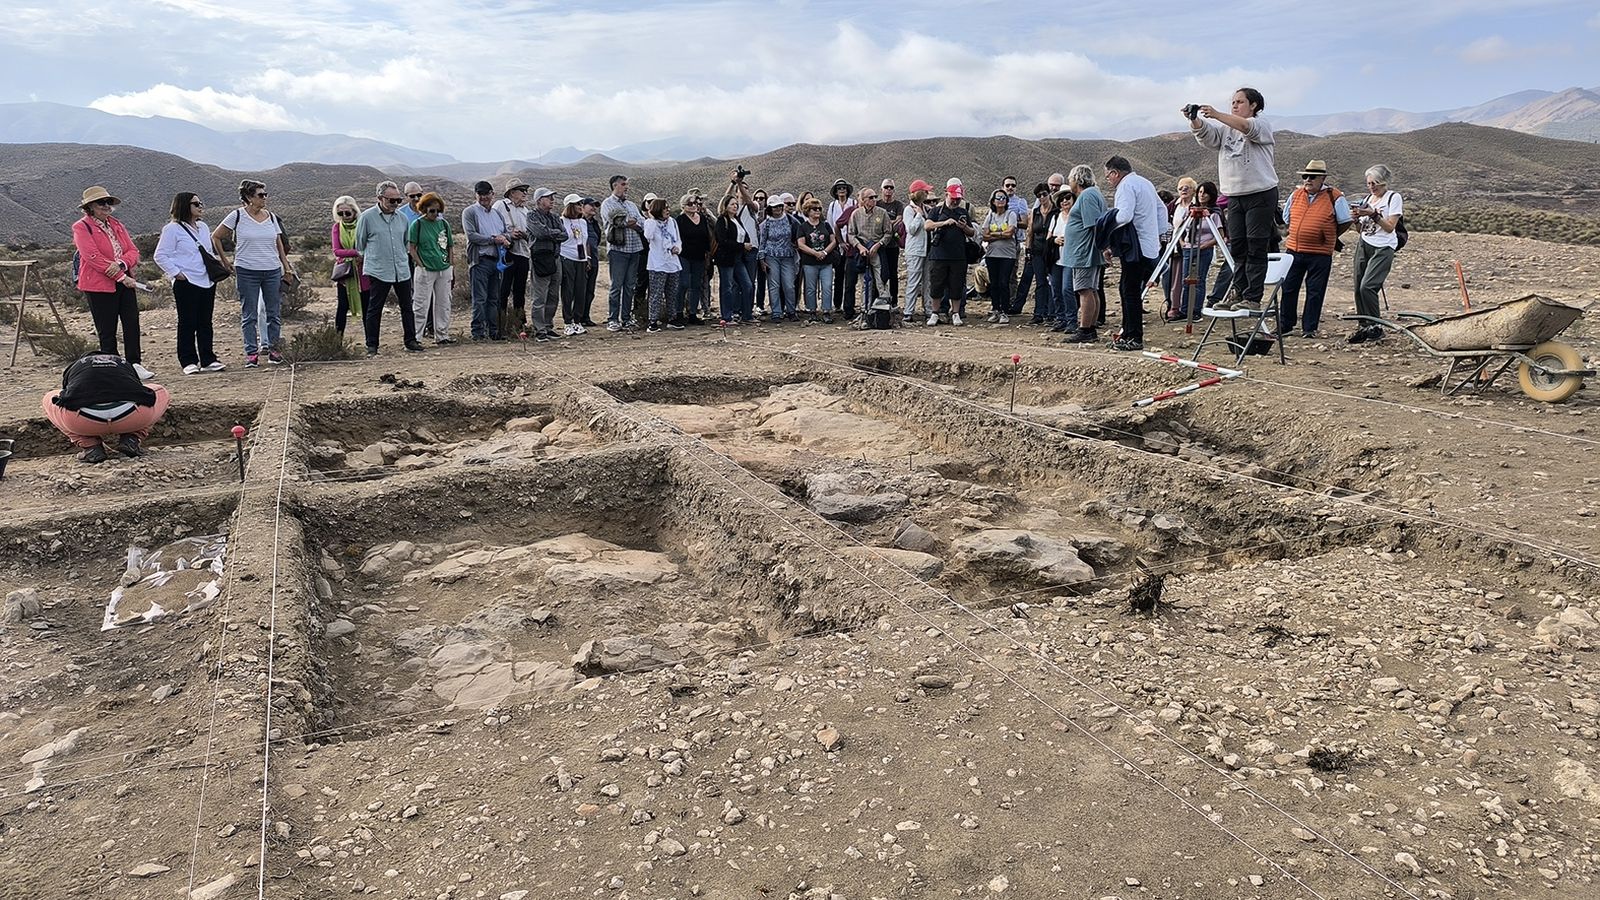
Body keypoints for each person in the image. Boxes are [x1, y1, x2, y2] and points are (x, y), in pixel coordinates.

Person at [1189, 87, 1278, 311]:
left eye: (1240, 102)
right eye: (1233, 102)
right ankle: (1238, 293)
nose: (1235, 105)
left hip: (1260, 193)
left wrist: (1216, 114)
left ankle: (1253, 297)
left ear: (1253, 105)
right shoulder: (1226, 129)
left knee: (1256, 244)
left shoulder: (1261, 124)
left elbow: (1247, 128)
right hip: (1235, 195)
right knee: (1237, 245)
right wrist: (1195, 121)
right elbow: (1209, 138)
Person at [212, 179, 295, 368]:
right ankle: (251, 353)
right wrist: (225, 261)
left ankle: (274, 350)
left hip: (272, 270)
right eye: (261, 195)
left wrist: (286, 267)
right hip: (247, 271)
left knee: (273, 313)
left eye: (265, 194)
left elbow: (278, 242)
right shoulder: (237, 216)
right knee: (249, 315)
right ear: (249, 197)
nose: (265, 198)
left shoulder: (271, 217)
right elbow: (216, 236)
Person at [70, 186, 148, 378]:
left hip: (125, 280)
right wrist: (121, 276)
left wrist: (121, 264)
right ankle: (113, 368)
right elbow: (92, 256)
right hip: (99, 284)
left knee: (131, 322)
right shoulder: (81, 227)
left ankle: (134, 363)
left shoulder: (117, 224)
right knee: (107, 328)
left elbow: (133, 251)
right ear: (90, 206)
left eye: (108, 202)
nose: (106, 206)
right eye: (101, 202)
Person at [43, 352, 169, 463]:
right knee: (160, 391)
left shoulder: (76, 366)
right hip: (132, 416)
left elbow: (65, 395)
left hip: (82, 421)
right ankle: (132, 438)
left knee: (49, 397)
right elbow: (139, 389)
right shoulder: (122, 362)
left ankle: (90, 446)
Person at [153, 191, 225, 375]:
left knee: (205, 321)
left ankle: (208, 359)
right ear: (185, 206)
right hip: (187, 281)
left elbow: (207, 251)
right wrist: (177, 274)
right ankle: (188, 360)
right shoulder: (172, 229)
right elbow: (160, 255)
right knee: (187, 322)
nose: (201, 207)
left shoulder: (203, 227)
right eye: (196, 204)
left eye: (200, 203)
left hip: (207, 280)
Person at [1280, 160, 1353, 338]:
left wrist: (1329, 235)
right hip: (1294, 250)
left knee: (1315, 290)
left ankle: (1309, 328)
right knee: (1288, 288)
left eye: (1312, 177)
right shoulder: (1296, 194)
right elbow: (1287, 218)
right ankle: (1285, 325)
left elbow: (1345, 221)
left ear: (1322, 179)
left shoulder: (1334, 196)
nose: (1308, 180)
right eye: (1305, 176)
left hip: (1320, 253)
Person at [1102, 156, 1162, 351]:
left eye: (1108, 176)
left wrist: (1107, 221)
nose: (1108, 180)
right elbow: (1161, 211)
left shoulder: (1125, 186)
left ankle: (1134, 336)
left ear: (1115, 173)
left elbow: (1125, 215)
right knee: (1127, 288)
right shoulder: (1146, 183)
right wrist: (1156, 235)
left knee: (1130, 291)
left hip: (1134, 247)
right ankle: (1127, 332)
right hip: (1148, 245)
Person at [355, 181, 422, 356]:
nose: (395, 204)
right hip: (379, 270)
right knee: (374, 308)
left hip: (401, 268)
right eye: (392, 200)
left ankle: (411, 341)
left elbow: (406, 242)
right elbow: (360, 244)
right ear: (380, 198)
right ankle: (372, 345)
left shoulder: (402, 218)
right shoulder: (367, 217)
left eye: (398, 200)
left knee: (407, 306)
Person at [1350, 164, 1403, 344]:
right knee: (1358, 288)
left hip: (1383, 247)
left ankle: (1375, 326)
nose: (1371, 187)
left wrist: (1374, 214)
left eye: (1375, 183)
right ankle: (1364, 325)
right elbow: (1361, 230)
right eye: (1369, 183)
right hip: (1364, 244)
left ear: (1383, 182)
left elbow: (1389, 227)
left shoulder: (1393, 198)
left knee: (1368, 286)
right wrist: (1356, 220)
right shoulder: (1368, 199)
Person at [1061, 166, 1107, 343]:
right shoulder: (1093, 194)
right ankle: (1090, 328)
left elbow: (1094, 224)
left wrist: (1103, 248)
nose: (1069, 183)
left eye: (1070, 179)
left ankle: (1085, 329)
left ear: (1077, 179)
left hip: (1083, 252)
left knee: (1084, 290)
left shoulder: (1087, 196)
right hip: (1087, 251)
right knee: (1091, 289)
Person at [1166, 180, 1223, 322]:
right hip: (1188, 249)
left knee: (1199, 281)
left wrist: (1205, 245)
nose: (1202, 195)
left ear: (1211, 195)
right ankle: (1184, 311)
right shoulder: (1191, 210)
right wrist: (1182, 243)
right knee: (1186, 280)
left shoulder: (1214, 213)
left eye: (1205, 193)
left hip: (1204, 250)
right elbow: (1181, 229)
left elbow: (1220, 236)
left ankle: (1196, 311)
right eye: (1200, 192)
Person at [463, 181, 510, 340]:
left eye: (486, 194)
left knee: (494, 298)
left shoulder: (497, 214)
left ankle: (494, 331)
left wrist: (505, 238)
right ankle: (478, 332)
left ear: (492, 194)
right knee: (480, 298)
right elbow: (472, 235)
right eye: (480, 194)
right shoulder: (470, 212)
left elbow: (505, 233)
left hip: (497, 261)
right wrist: (493, 239)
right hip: (480, 261)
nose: (483, 197)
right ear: (476, 195)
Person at [406, 192, 454, 345]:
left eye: (438, 211)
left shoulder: (444, 224)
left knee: (444, 303)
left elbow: (450, 246)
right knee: (421, 304)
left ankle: (442, 335)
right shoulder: (417, 224)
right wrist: (421, 265)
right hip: (425, 269)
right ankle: (416, 337)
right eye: (432, 210)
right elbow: (412, 248)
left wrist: (450, 265)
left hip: (443, 268)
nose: (435, 214)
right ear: (424, 209)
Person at [925, 179, 974, 326]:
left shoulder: (963, 212)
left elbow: (971, 232)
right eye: (953, 198)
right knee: (936, 285)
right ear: (947, 195)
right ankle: (935, 313)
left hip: (958, 255)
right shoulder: (936, 211)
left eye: (958, 199)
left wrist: (964, 227)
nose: (955, 201)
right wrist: (944, 223)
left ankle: (956, 313)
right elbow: (927, 225)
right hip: (939, 255)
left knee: (956, 285)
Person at [601, 174, 644, 330]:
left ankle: (626, 318)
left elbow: (641, 222)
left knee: (630, 286)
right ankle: (613, 318)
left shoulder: (631, 205)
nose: (627, 187)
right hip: (618, 250)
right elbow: (615, 221)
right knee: (616, 285)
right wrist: (628, 222)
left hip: (635, 248)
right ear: (615, 185)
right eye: (624, 184)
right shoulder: (607, 203)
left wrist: (630, 223)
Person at [492, 179, 532, 336]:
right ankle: (500, 324)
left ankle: (519, 323)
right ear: (512, 192)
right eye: (522, 190)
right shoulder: (500, 206)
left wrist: (524, 235)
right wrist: (509, 235)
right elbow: (493, 227)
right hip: (507, 252)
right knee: (503, 289)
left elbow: (531, 234)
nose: (525, 193)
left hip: (523, 253)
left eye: (525, 190)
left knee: (520, 290)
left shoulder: (525, 211)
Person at [526, 187, 566, 341]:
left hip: (555, 258)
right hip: (540, 259)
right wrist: (554, 233)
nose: (552, 200)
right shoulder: (532, 216)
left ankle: (548, 326)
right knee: (540, 296)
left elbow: (565, 235)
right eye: (549, 198)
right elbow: (540, 233)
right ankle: (539, 330)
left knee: (553, 295)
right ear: (539, 200)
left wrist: (549, 232)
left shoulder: (555, 217)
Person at [848, 186, 893, 322]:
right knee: (865, 282)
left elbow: (888, 233)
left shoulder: (882, 213)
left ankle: (884, 312)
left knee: (881, 280)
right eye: (871, 197)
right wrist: (860, 247)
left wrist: (878, 245)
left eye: (875, 197)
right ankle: (865, 311)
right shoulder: (856, 214)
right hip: (863, 252)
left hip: (878, 251)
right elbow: (851, 234)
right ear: (863, 200)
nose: (874, 199)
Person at [641, 193, 682, 333]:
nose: (668, 210)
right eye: (665, 208)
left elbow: (678, 238)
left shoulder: (672, 222)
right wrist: (652, 218)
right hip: (657, 263)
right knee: (656, 293)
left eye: (668, 207)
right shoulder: (650, 223)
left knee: (672, 292)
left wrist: (678, 248)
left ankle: (672, 318)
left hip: (672, 262)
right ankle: (652, 321)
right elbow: (648, 236)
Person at [329, 195, 367, 338]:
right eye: (340, 213)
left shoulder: (363, 226)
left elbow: (369, 246)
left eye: (347, 213)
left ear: (354, 211)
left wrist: (360, 254)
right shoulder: (337, 228)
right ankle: (337, 340)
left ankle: (371, 341)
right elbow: (337, 251)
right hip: (346, 273)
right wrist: (357, 252)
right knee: (342, 307)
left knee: (367, 307)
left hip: (364, 272)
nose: (344, 216)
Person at [757, 195, 800, 323]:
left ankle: (791, 311)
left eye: (780, 206)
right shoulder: (766, 224)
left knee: (789, 285)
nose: (778, 209)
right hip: (771, 256)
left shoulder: (791, 220)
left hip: (788, 256)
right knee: (774, 285)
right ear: (770, 208)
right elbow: (762, 242)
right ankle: (776, 312)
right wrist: (762, 259)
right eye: (775, 206)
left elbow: (799, 234)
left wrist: (797, 245)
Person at [980, 189, 1019, 324]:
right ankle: (995, 309)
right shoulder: (990, 215)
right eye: (998, 198)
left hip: (1007, 255)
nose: (1001, 200)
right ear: (993, 201)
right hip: (992, 254)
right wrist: (1001, 234)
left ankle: (1004, 311)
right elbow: (984, 235)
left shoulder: (1011, 214)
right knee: (994, 283)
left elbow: (1010, 233)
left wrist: (994, 234)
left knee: (1004, 282)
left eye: (1003, 198)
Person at [714, 194, 755, 324]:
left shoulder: (737, 219)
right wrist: (742, 246)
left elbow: (743, 235)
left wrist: (746, 244)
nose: (735, 206)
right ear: (725, 206)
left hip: (738, 258)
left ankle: (747, 315)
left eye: (736, 204)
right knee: (727, 287)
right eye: (732, 204)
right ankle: (727, 316)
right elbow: (723, 241)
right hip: (726, 258)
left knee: (747, 285)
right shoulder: (722, 221)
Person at [674, 194, 714, 325]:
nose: (694, 206)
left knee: (696, 285)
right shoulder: (679, 220)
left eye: (695, 203)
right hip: (684, 256)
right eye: (690, 204)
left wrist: (708, 254)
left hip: (700, 256)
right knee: (683, 283)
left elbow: (706, 237)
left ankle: (693, 313)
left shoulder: (702, 218)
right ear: (683, 206)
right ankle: (678, 312)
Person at [796, 198, 837, 323]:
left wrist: (824, 252)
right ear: (808, 211)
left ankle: (826, 311)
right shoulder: (803, 227)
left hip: (826, 261)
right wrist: (814, 253)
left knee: (827, 286)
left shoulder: (826, 225)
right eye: (814, 209)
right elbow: (801, 244)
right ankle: (812, 311)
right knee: (810, 287)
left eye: (819, 208)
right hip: (810, 262)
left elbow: (833, 241)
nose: (817, 211)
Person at [901, 179, 933, 323]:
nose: (927, 193)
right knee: (914, 281)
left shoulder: (926, 209)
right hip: (915, 250)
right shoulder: (909, 210)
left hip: (927, 249)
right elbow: (911, 229)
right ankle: (908, 311)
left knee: (928, 282)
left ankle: (929, 309)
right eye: (924, 191)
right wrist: (919, 216)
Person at [558, 194, 590, 336]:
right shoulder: (561, 221)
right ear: (570, 206)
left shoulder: (583, 222)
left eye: (581, 203)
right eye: (577, 203)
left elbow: (585, 241)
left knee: (580, 291)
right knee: (568, 290)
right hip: (567, 257)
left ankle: (577, 320)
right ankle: (568, 321)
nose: (580, 206)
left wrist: (588, 258)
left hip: (581, 259)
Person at [1025, 184, 1057, 324]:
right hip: (1037, 251)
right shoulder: (1035, 212)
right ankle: (1038, 313)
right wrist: (1028, 250)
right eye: (1039, 196)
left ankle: (1052, 313)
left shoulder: (1056, 211)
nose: (1042, 197)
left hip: (1052, 251)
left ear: (1049, 194)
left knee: (1053, 282)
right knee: (1040, 282)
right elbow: (1030, 232)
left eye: (1044, 194)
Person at [1000, 175, 1032, 315]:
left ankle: (1011, 302)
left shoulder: (1020, 202)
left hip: (1014, 242)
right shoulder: (997, 200)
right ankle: (999, 303)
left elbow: (1025, 223)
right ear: (1003, 187)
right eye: (1007, 185)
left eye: (1013, 185)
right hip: (998, 241)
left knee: (1011, 273)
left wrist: (1010, 222)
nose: (1010, 188)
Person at [825, 179, 855, 315]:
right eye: (839, 188)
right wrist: (837, 242)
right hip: (837, 245)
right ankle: (837, 304)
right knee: (838, 275)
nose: (842, 190)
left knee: (850, 276)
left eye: (844, 188)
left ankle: (849, 305)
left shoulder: (853, 203)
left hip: (851, 244)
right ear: (836, 192)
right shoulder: (832, 206)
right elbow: (831, 225)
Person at [877, 179, 904, 308]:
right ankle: (880, 299)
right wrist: (890, 223)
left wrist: (884, 223)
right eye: (886, 187)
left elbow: (899, 220)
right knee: (880, 273)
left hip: (893, 244)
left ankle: (894, 301)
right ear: (881, 189)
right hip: (879, 244)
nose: (888, 190)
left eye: (891, 187)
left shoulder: (898, 205)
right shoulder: (877, 204)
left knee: (893, 273)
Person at [580, 198, 602, 326]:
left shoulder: (594, 223)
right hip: (581, 259)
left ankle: (585, 317)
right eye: (591, 205)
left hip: (594, 259)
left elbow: (597, 240)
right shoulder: (578, 221)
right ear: (583, 206)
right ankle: (577, 316)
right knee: (580, 290)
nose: (594, 208)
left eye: (595, 206)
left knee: (590, 290)